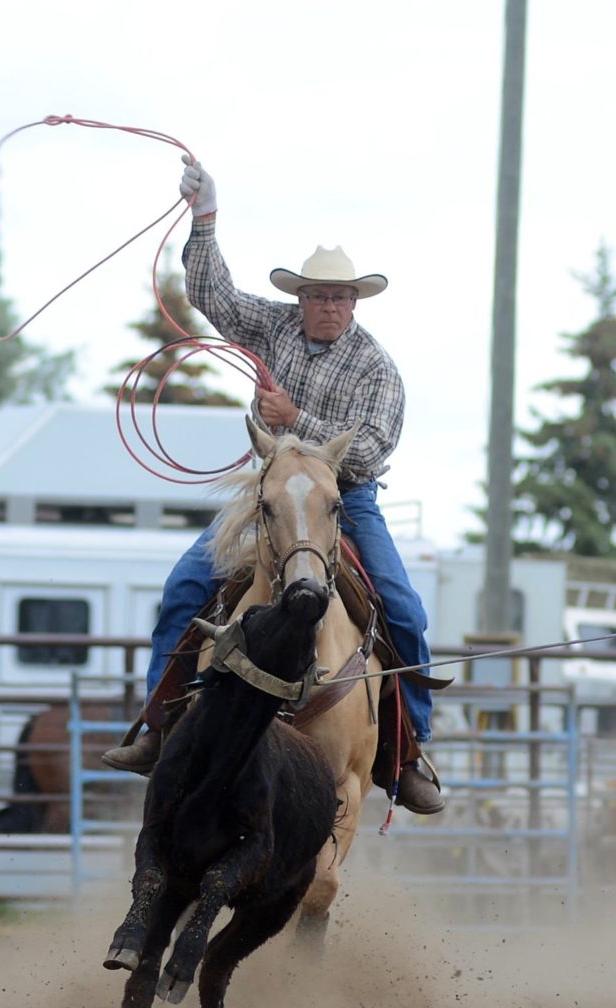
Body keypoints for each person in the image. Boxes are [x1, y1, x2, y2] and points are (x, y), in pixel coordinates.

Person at [102, 157, 442, 815]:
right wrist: (205, 217)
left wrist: (297, 422)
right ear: (301, 299)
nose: (327, 306)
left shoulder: (376, 368)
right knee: (185, 587)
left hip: (344, 497)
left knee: (403, 608)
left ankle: (408, 748)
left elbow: (370, 449)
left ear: (353, 303)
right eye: (317, 295)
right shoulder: (273, 325)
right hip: (267, 490)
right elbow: (213, 295)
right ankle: (158, 723)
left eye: (339, 297)